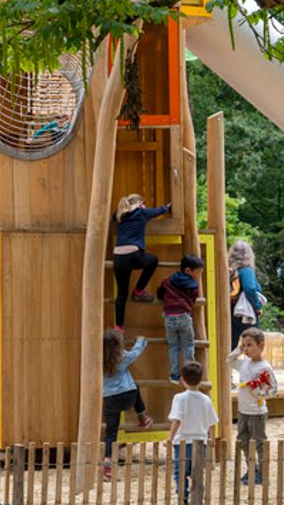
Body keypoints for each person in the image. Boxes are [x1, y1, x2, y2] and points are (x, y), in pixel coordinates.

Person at [111, 193, 171, 331]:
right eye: (144, 204)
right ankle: (138, 290)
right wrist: (168, 207)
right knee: (153, 261)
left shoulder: (120, 214)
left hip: (118, 257)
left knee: (121, 293)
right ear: (139, 203)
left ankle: (119, 326)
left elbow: (114, 215)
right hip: (133, 255)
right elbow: (158, 211)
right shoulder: (141, 212)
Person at [101, 329, 154, 479]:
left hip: (110, 399)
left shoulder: (98, 359)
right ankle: (142, 417)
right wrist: (141, 340)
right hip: (128, 397)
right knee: (134, 385)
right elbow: (135, 353)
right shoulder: (121, 357)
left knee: (111, 433)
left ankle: (107, 467)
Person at [228, 328, 278, 484]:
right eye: (244, 345)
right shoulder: (243, 363)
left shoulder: (264, 367)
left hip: (257, 412)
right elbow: (229, 360)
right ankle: (252, 469)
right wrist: (239, 349)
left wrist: (258, 393)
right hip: (243, 411)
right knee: (243, 441)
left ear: (261, 345)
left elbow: (274, 390)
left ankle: (262, 474)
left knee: (259, 443)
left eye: (249, 345)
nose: (246, 349)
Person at [168, 361, 217, 504]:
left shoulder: (179, 398)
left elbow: (176, 420)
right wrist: (212, 440)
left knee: (180, 473)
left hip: (182, 443)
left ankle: (183, 498)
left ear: (182, 379)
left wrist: (170, 439)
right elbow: (212, 422)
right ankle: (197, 499)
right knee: (197, 474)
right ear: (201, 379)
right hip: (200, 443)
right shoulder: (206, 399)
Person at [157, 255, 203, 383]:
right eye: (198, 273)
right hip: (183, 316)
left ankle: (174, 376)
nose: (199, 276)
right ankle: (189, 375)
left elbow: (160, 293)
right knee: (188, 345)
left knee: (173, 347)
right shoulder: (193, 285)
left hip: (169, 317)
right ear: (188, 271)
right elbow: (193, 300)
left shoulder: (167, 281)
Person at [228, 240, 264, 348]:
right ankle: (254, 364)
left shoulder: (230, 269)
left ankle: (229, 364)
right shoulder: (246, 270)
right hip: (245, 311)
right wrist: (257, 306)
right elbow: (250, 289)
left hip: (232, 310)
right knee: (255, 342)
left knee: (232, 342)